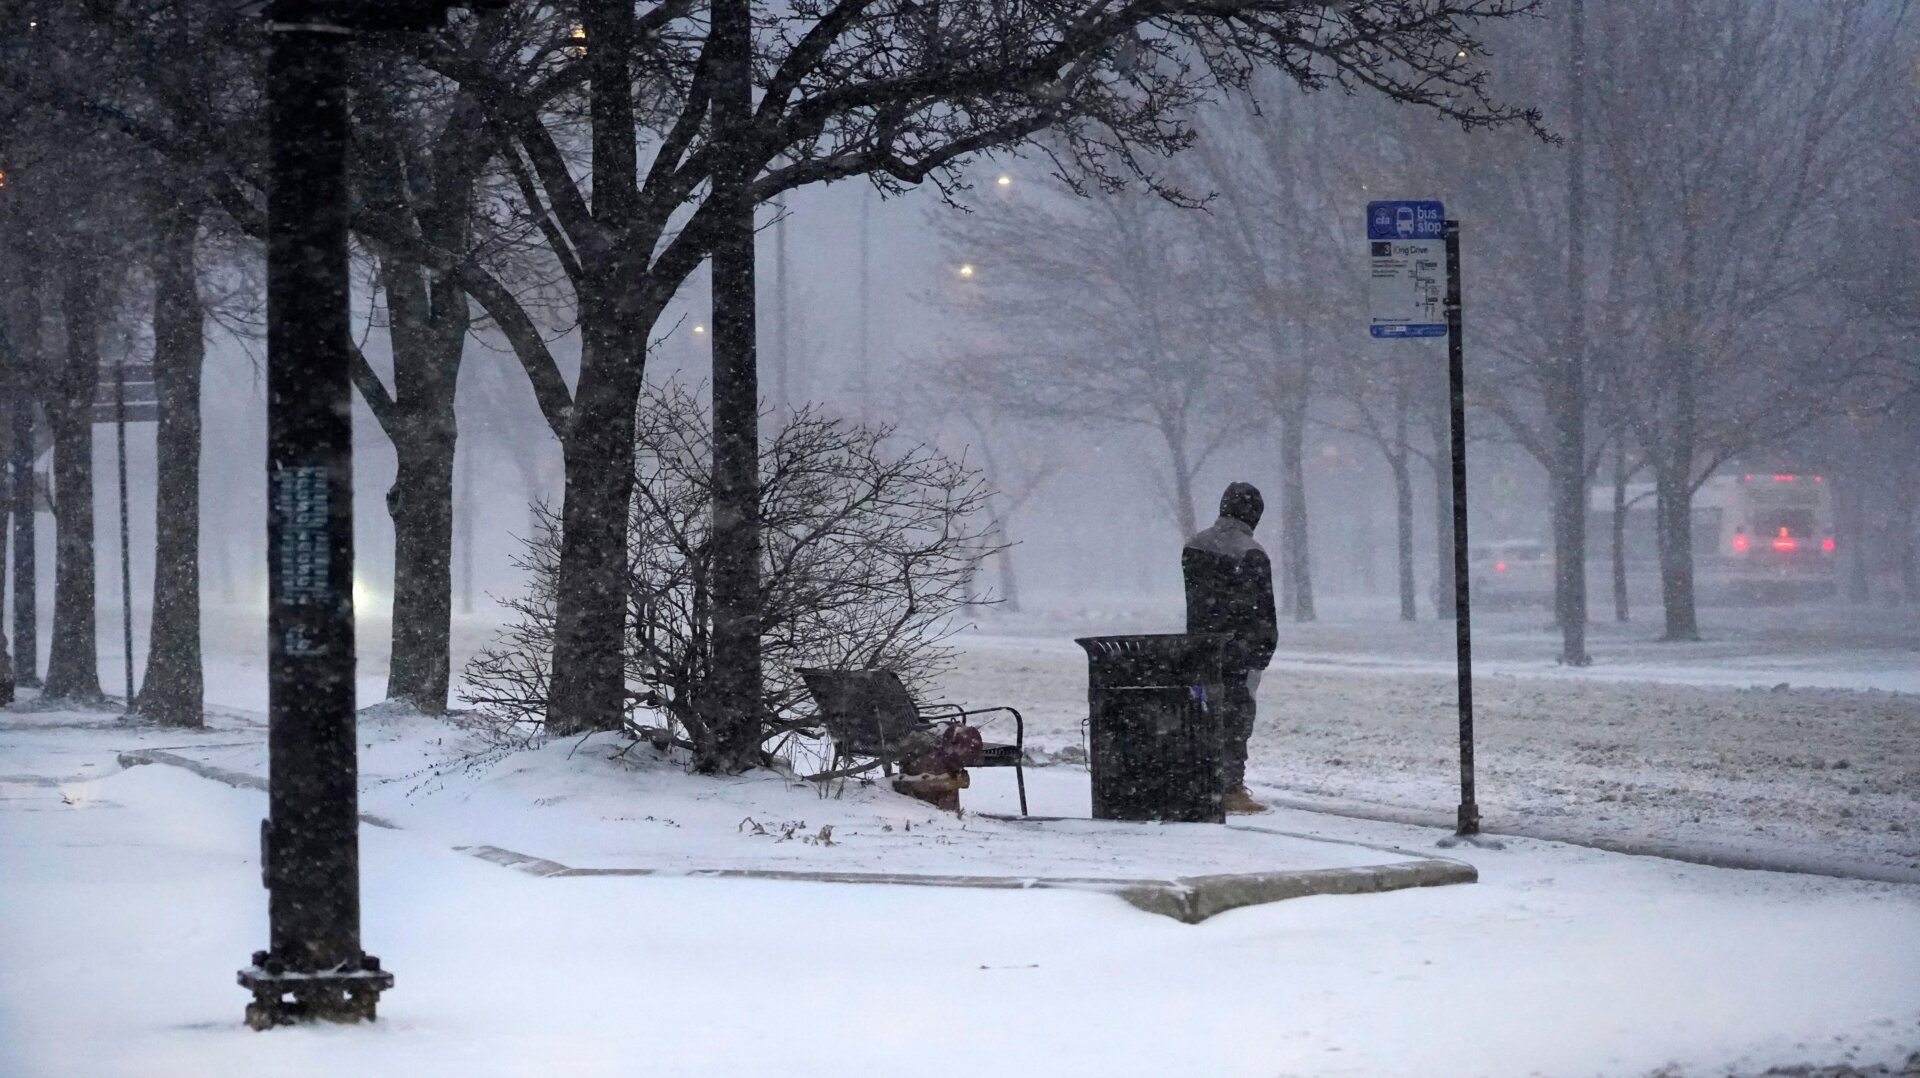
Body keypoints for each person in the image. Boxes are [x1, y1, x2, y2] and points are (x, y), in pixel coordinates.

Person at [1182, 482, 1278, 814]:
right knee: (1237, 717)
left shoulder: (1195, 546)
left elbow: (1200, 603)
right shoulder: (1250, 552)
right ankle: (1231, 788)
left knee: (1206, 715)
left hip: (1202, 648)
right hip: (1240, 652)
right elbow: (1262, 610)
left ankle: (1205, 781)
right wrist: (1262, 651)